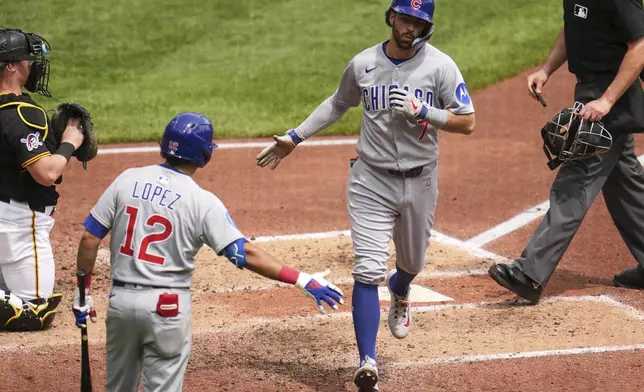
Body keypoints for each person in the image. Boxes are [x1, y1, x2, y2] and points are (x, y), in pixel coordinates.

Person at [255, 1, 475, 390]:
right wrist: (294, 137)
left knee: (413, 261)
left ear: (428, 27)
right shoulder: (364, 64)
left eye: (418, 23)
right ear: (392, 17)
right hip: (370, 180)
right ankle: (367, 360)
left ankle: (401, 288)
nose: (410, 28)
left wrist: (425, 112)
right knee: (367, 269)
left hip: (421, 180)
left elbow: (467, 121)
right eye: (406, 19)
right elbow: (338, 103)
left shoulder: (441, 66)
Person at [71, 112, 344, 392]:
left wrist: (84, 294)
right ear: (204, 155)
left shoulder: (127, 179)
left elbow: (90, 237)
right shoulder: (202, 202)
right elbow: (243, 254)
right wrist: (300, 279)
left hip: (121, 304)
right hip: (167, 308)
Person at [488, 0, 644, 304]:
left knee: (575, 181)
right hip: (591, 93)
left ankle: (530, 273)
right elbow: (574, 26)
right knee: (624, 184)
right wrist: (546, 70)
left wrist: (607, 101)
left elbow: (640, 44)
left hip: (609, 96)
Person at [0, 27, 85, 331]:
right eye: (27, 59)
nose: (32, 65)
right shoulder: (21, 113)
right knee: (34, 311)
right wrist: (69, 143)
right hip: (17, 225)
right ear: (11, 65)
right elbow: (47, 173)